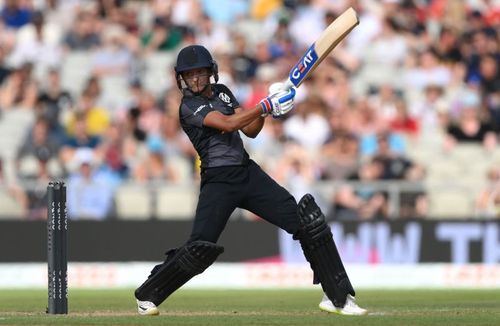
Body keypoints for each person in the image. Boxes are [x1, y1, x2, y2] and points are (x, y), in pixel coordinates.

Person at [134, 45, 367, 316]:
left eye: (200, 73)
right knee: (199, 248)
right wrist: (264, 104)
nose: (195, 79)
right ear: (181, 78)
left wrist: (268, 110)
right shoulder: (189, 106)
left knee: (308, 223)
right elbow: (228, 124)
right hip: (218, 181)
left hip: (247, 173)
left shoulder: (223, 93)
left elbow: (250, 130)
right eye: (190, 75)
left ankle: (337, 296)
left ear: (211, 73)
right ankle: (148, 294)